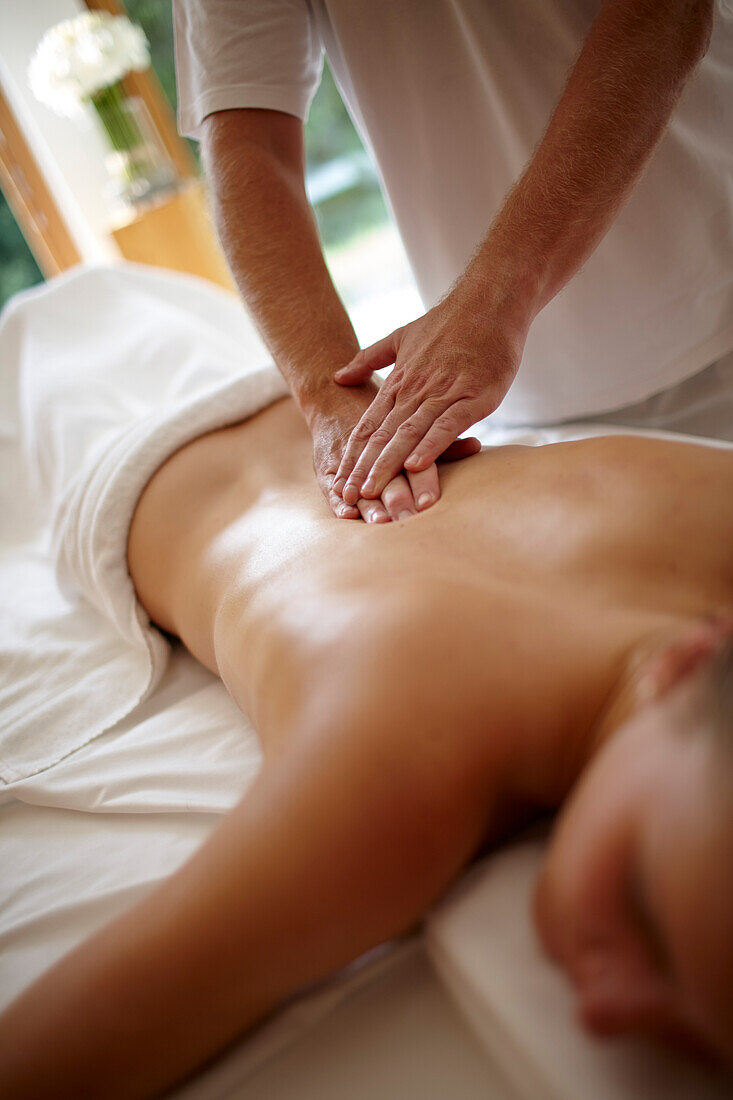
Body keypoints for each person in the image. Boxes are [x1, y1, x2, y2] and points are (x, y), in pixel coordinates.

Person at [0, 388, 731, 1097]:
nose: (606, 1009)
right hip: (119, 463)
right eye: (638, 909)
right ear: (687, 665)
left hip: (322, 389)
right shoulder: (399, 781)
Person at [174, 0, 733, 522]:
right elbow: (248, 145)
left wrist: (494, 300)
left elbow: (664, 14)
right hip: (513, 408)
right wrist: (329, 398)